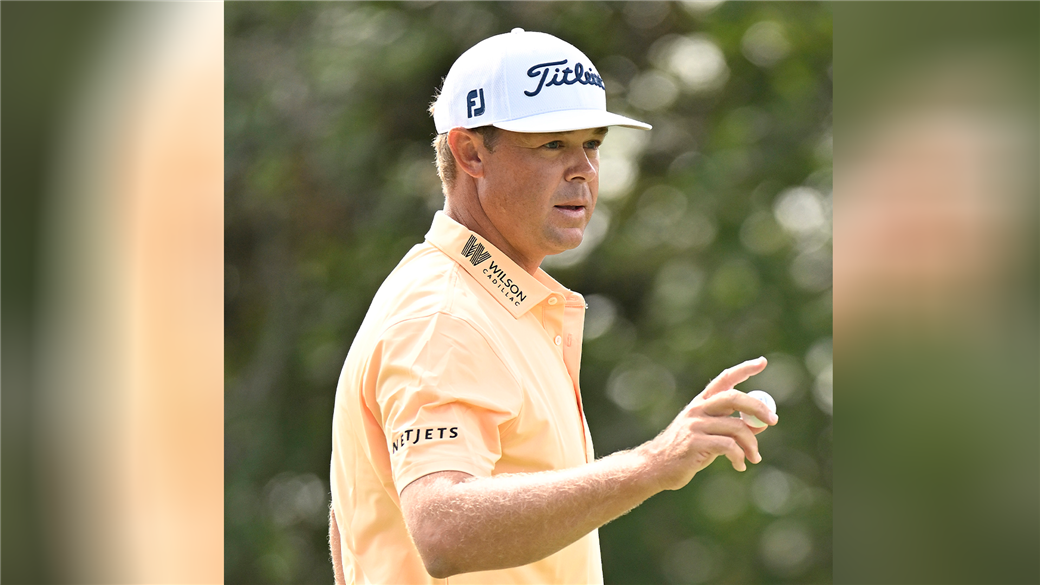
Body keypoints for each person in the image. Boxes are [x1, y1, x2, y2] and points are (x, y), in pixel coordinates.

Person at [328, 28, 777, 584]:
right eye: (552, 145)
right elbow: (441, 528)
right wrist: (652, 464)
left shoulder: (490, 302)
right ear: (471, 153)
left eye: (592, 144)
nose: (583, 169)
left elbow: (352, 517)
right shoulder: (446, 317)